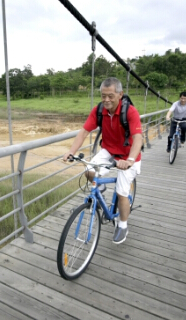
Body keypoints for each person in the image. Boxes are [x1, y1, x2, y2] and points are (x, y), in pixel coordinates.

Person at [63, 77, 143, 244]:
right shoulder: (99, 110)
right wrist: (71, 152)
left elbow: (138, 138)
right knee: (89, 171)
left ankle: (122, 224)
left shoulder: (130, 112)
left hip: (129, 156)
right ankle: (100, 188)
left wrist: (129, 160)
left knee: (122, 193)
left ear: (120, 94)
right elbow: (84, 132)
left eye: (111, 96)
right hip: (108, 150)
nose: (106, 100)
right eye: (103, 96)